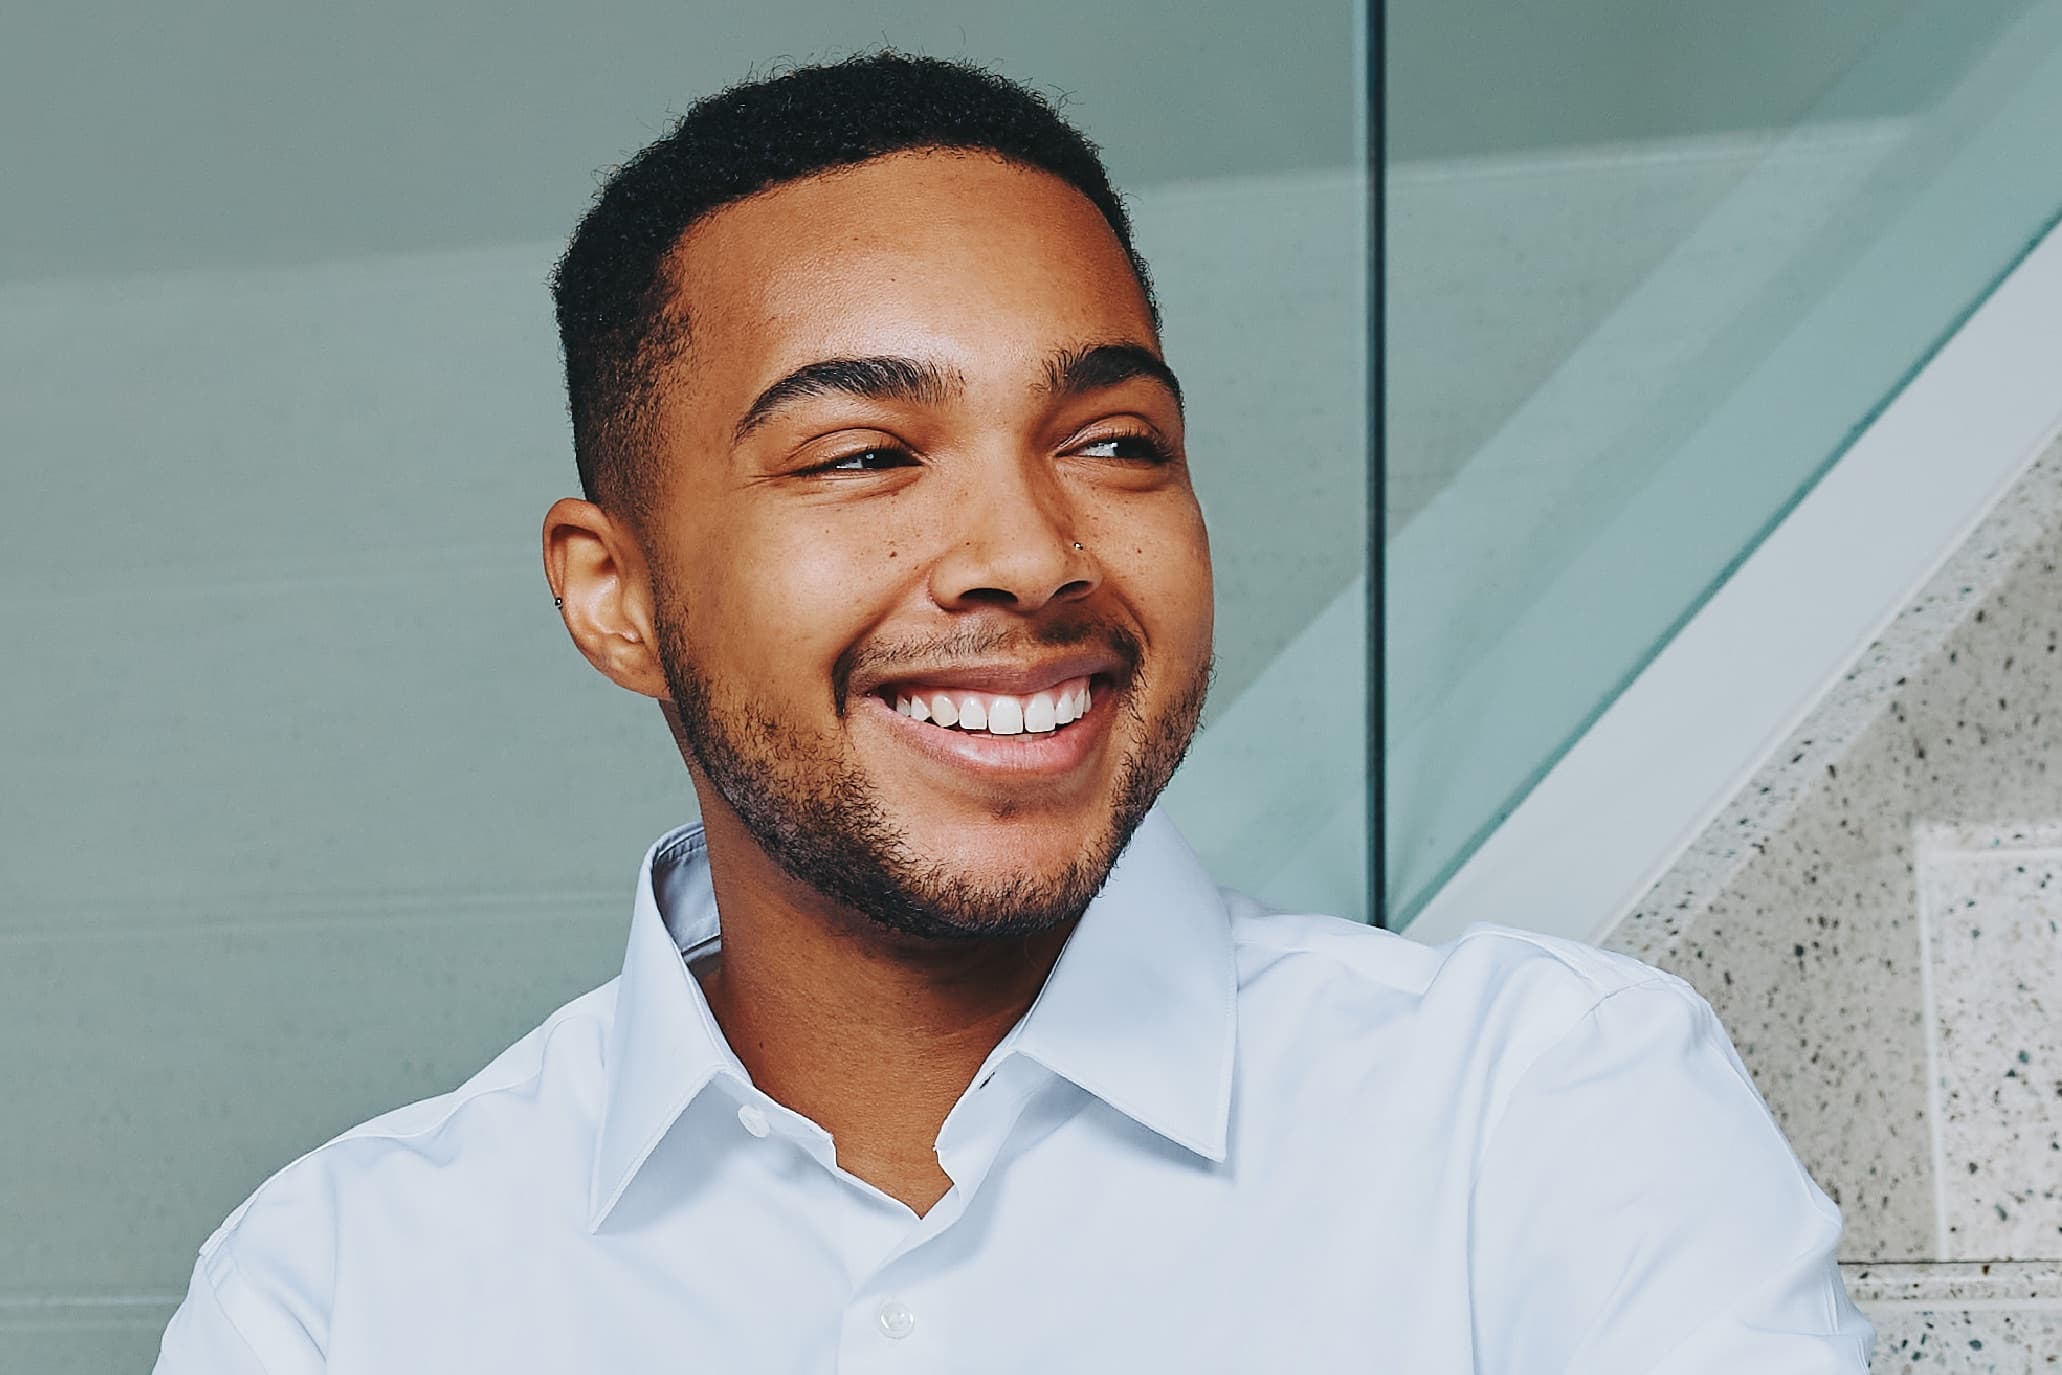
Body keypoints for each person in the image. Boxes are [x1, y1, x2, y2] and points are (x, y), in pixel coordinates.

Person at [153, 52, 1874, 1373]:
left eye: (1113, 443)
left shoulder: (1543, 1114)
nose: (1029, 554)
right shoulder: (346, 1291)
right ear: (617, 597)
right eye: (861, 457)